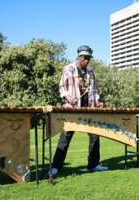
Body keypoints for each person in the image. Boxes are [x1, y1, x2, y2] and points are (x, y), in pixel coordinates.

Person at [50, 45, 108, 175]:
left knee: (95, 136)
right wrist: (69, 98)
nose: (87, 61)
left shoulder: (91, 71)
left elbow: (94, 90)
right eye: (84, 58)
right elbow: (62, 87)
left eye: (88, 58)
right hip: (73, 109)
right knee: (65, 138)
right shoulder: (68, 69)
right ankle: (56, 167)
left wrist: (97, 101)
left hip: (89, 109)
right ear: (79, 56)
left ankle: (93, 164)